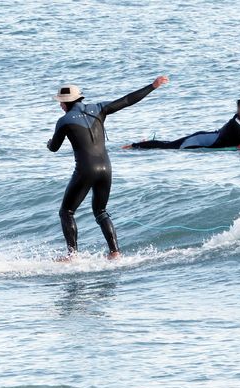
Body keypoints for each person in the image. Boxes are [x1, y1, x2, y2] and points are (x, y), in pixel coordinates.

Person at [47, 75, 170, 260]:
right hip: (106, 168)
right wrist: (153, 86)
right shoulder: (99, 108)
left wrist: (49, 143)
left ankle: (72, 256)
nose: (60, 106)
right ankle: (115, 253)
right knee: (101, 211)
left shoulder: (64, 121)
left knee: (66, 212)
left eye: (61, 103)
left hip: (85, 170)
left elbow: (54, 148)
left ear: (65, 104)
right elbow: (127, 100)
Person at [126, 97, 240, 150]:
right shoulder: (236, 123)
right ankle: (135, 146)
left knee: (169, 143)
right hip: (199, 140)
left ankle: (145, 143)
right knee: (167, 146)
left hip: (206, 139)